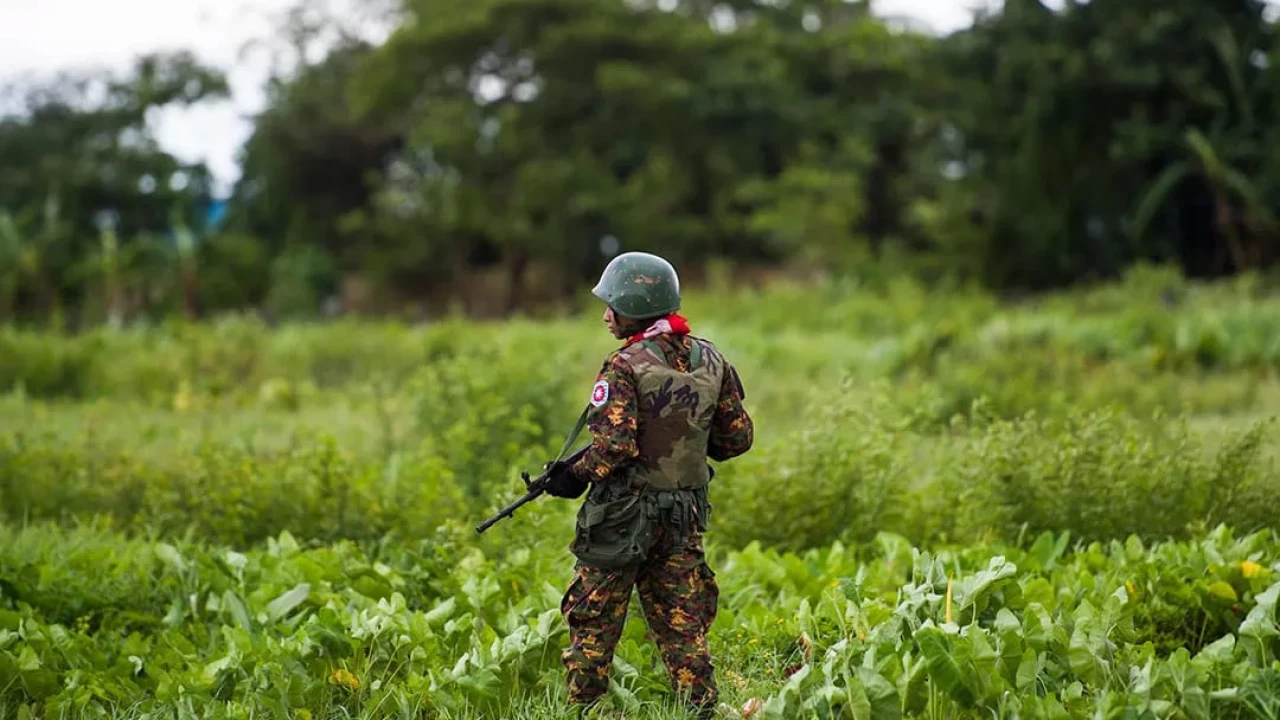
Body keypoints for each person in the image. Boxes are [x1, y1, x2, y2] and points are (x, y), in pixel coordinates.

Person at [543, 251, 754, 718]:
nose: (605, 314)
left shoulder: (623, 365)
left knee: (594, 620)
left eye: (611, 304)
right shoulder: (711, 359)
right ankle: (700, 709)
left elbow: (613, 449)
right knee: (683, 623)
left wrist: (570, 477)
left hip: (622, 518)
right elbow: (737, 439)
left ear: (634, 306)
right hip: (683, 516)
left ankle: (585, 711)